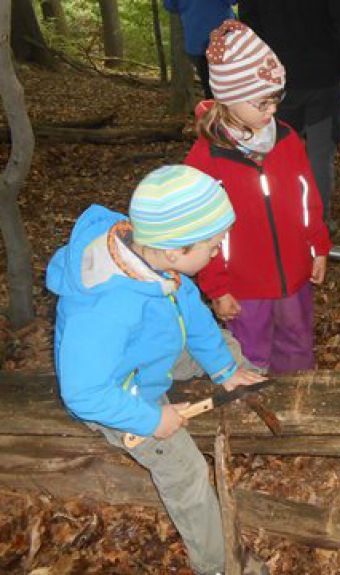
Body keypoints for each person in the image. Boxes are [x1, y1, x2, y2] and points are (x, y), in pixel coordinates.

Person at [46, 164, 270, 575]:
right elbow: (84, 391)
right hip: (120, 391)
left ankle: (241, 374)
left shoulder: (157, 261)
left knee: (225, 345)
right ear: (175, 251)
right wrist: (150, 418)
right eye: (214, 245)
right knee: (185, 470)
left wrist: (224, 370)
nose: (219, 252)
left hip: (152, 347)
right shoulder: (106, 308)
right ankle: (221, 564)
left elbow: (192, 315)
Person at [185, 20, 331, 375]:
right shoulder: (205, 160)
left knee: (297, 343)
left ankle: (297, 402)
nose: (273, 111)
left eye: (276, 100)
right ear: (229, 99)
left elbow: (306, 197)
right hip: (243, 286)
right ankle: (254, 410)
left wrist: (318, 247)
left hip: (294, 275)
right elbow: (199, 233)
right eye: (263, 103)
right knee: (252, 355)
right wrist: (217, 287)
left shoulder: (286, 139)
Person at [237, 0, 340, 232]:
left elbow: (249, 21)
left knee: (277, 149)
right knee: (317, 154)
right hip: (318, 78)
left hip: (284, 76)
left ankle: (281, 215)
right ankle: (315, 220)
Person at [163, 0, 237, 99]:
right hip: (223, 41)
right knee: (231, 88)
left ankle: (215, 110)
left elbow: (170, 6)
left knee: (211, 89)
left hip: (196, 43)